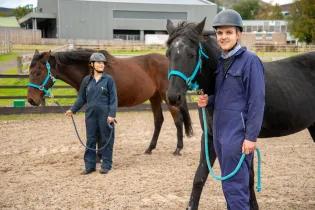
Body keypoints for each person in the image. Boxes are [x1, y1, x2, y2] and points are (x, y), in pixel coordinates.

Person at [198, 9, 265, 209]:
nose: (223, 37)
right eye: (220, 33)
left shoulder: (250, 61)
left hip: (237, 135)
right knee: (229, 186)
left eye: (228, 32)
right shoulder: (221, 62)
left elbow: (257, 101)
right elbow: (225, 96)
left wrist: (251, 137)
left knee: (235, 187)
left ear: (238, 34)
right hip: (220, 133)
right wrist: (208, 100)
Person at [65, 52, 117, 175]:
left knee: (106, 140)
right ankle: (89, 166)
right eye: (98, 62)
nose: (101, 65)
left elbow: (114, 99)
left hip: (105, 115)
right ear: (92, 64)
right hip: (90, 115)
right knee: (91, 140)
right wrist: (73, 109)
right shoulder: (86, 81)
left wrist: (112, 115)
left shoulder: (108, 80)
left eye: (103, 63)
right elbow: (81, 98)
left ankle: (106, 165)